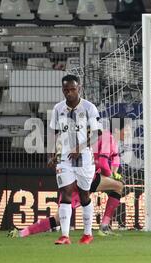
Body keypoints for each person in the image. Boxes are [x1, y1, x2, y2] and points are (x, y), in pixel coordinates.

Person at [8, 117, 127, 239]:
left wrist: (113, 173)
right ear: (118, 130)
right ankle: (104, 226)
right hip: (86, 176)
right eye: (126, 129)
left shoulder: (91, 138)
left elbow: (112, 160)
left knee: (58, 219)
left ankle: (22, 233)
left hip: (71, 178)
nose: (128, 132)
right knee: (119, 186)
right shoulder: (108, 137)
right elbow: (102, 163)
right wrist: (112, 175)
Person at [46, 74, 101, 245]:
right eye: (66, 90)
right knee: (65, 193)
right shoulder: (58, 109)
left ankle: (87, 233)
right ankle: (64, 235)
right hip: (64, 159)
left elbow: (97, 134)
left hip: (84, 158)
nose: (69, 93)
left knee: (84, 195)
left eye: (72, 89)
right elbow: (53, 133)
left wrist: (80, 147)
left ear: (79, 88)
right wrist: (50, 153)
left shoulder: (89, 108)